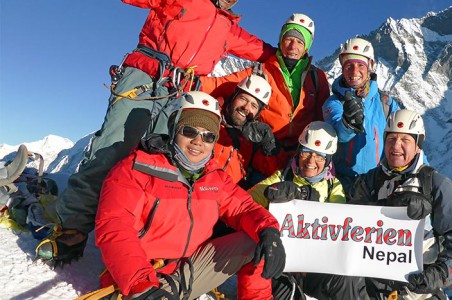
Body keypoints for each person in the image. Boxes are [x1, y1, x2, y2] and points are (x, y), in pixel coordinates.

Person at [37, 0, 276, 264]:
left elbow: (265, 51)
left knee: (163, 163)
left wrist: (293, 54)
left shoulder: (229, 30)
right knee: (112, 147)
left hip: (178, 91)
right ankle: (73, 227)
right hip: (144, 77)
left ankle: (147, 239)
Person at [93, 91, 285, 299]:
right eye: (189, 131)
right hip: (143, 280)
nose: (198, 141)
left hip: (187, 271)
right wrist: (141, 284)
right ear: (174, 130)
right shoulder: (137, 169)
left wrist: (269, 231)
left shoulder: (214, 177)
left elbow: (244, 208)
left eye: (208, 136)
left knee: (257, 239)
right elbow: (115, 227)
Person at [307, 109, 452, 299]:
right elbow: (341, 220)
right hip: (371, 285)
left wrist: (441, 273)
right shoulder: (370, 180)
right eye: (391, 139)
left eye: (405, 140)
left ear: (418, 145)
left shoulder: (434, 184)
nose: (396, 146)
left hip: (418, 290)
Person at [201, 13, 330, 182]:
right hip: (265, 152)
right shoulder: (262, 71)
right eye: (288, 39)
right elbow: (223, 84)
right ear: (280, 41)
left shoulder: (317, 77)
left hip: (301, 156)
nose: (293, 46)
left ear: (306, 48)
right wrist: (189, 82)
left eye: (300, 41)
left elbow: (322, 119)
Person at [247, 121, 348, 300]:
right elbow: (247, 201)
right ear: (298, 153)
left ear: (328, 161)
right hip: (282, 259)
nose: (311, 161)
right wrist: (269, 193)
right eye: (306, 153)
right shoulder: (283, 176)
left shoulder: (333, 187)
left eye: (319, 156)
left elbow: (340, 224)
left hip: (317, 264)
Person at [322, 37, 402, 192]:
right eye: (349, 65)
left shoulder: (386, 104)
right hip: (341, 185)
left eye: (360, 65)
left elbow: (407, 138)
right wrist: (348, 123)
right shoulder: (334, 102)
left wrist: (423, 172)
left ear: (370, 68)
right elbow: (338, 133)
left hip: (378, 183)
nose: (354, 71)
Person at [212, 73, 277, 187]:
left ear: (258, 113)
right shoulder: (210, 116)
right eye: (243, 99)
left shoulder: (253, 137)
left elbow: (270, 171)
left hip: (231, 195)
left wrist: (269, 146)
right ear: (234, 96)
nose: (246, 107)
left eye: (254, 106)